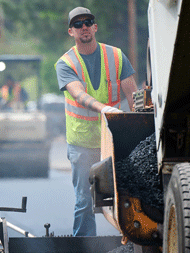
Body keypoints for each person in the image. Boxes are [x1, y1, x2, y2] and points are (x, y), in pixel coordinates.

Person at [55, 7, 138, 236]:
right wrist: (106, 109)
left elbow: (134, 98)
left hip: (113, 139)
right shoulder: (65, 64)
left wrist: (141, 128)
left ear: (95, 27)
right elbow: (79, 94)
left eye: (88, 22)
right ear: (71, 31)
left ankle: (132, 243)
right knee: (84, 201)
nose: (84, 27)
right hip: (82, 142)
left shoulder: (116, 56)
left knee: (128, 196)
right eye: (78, 24)